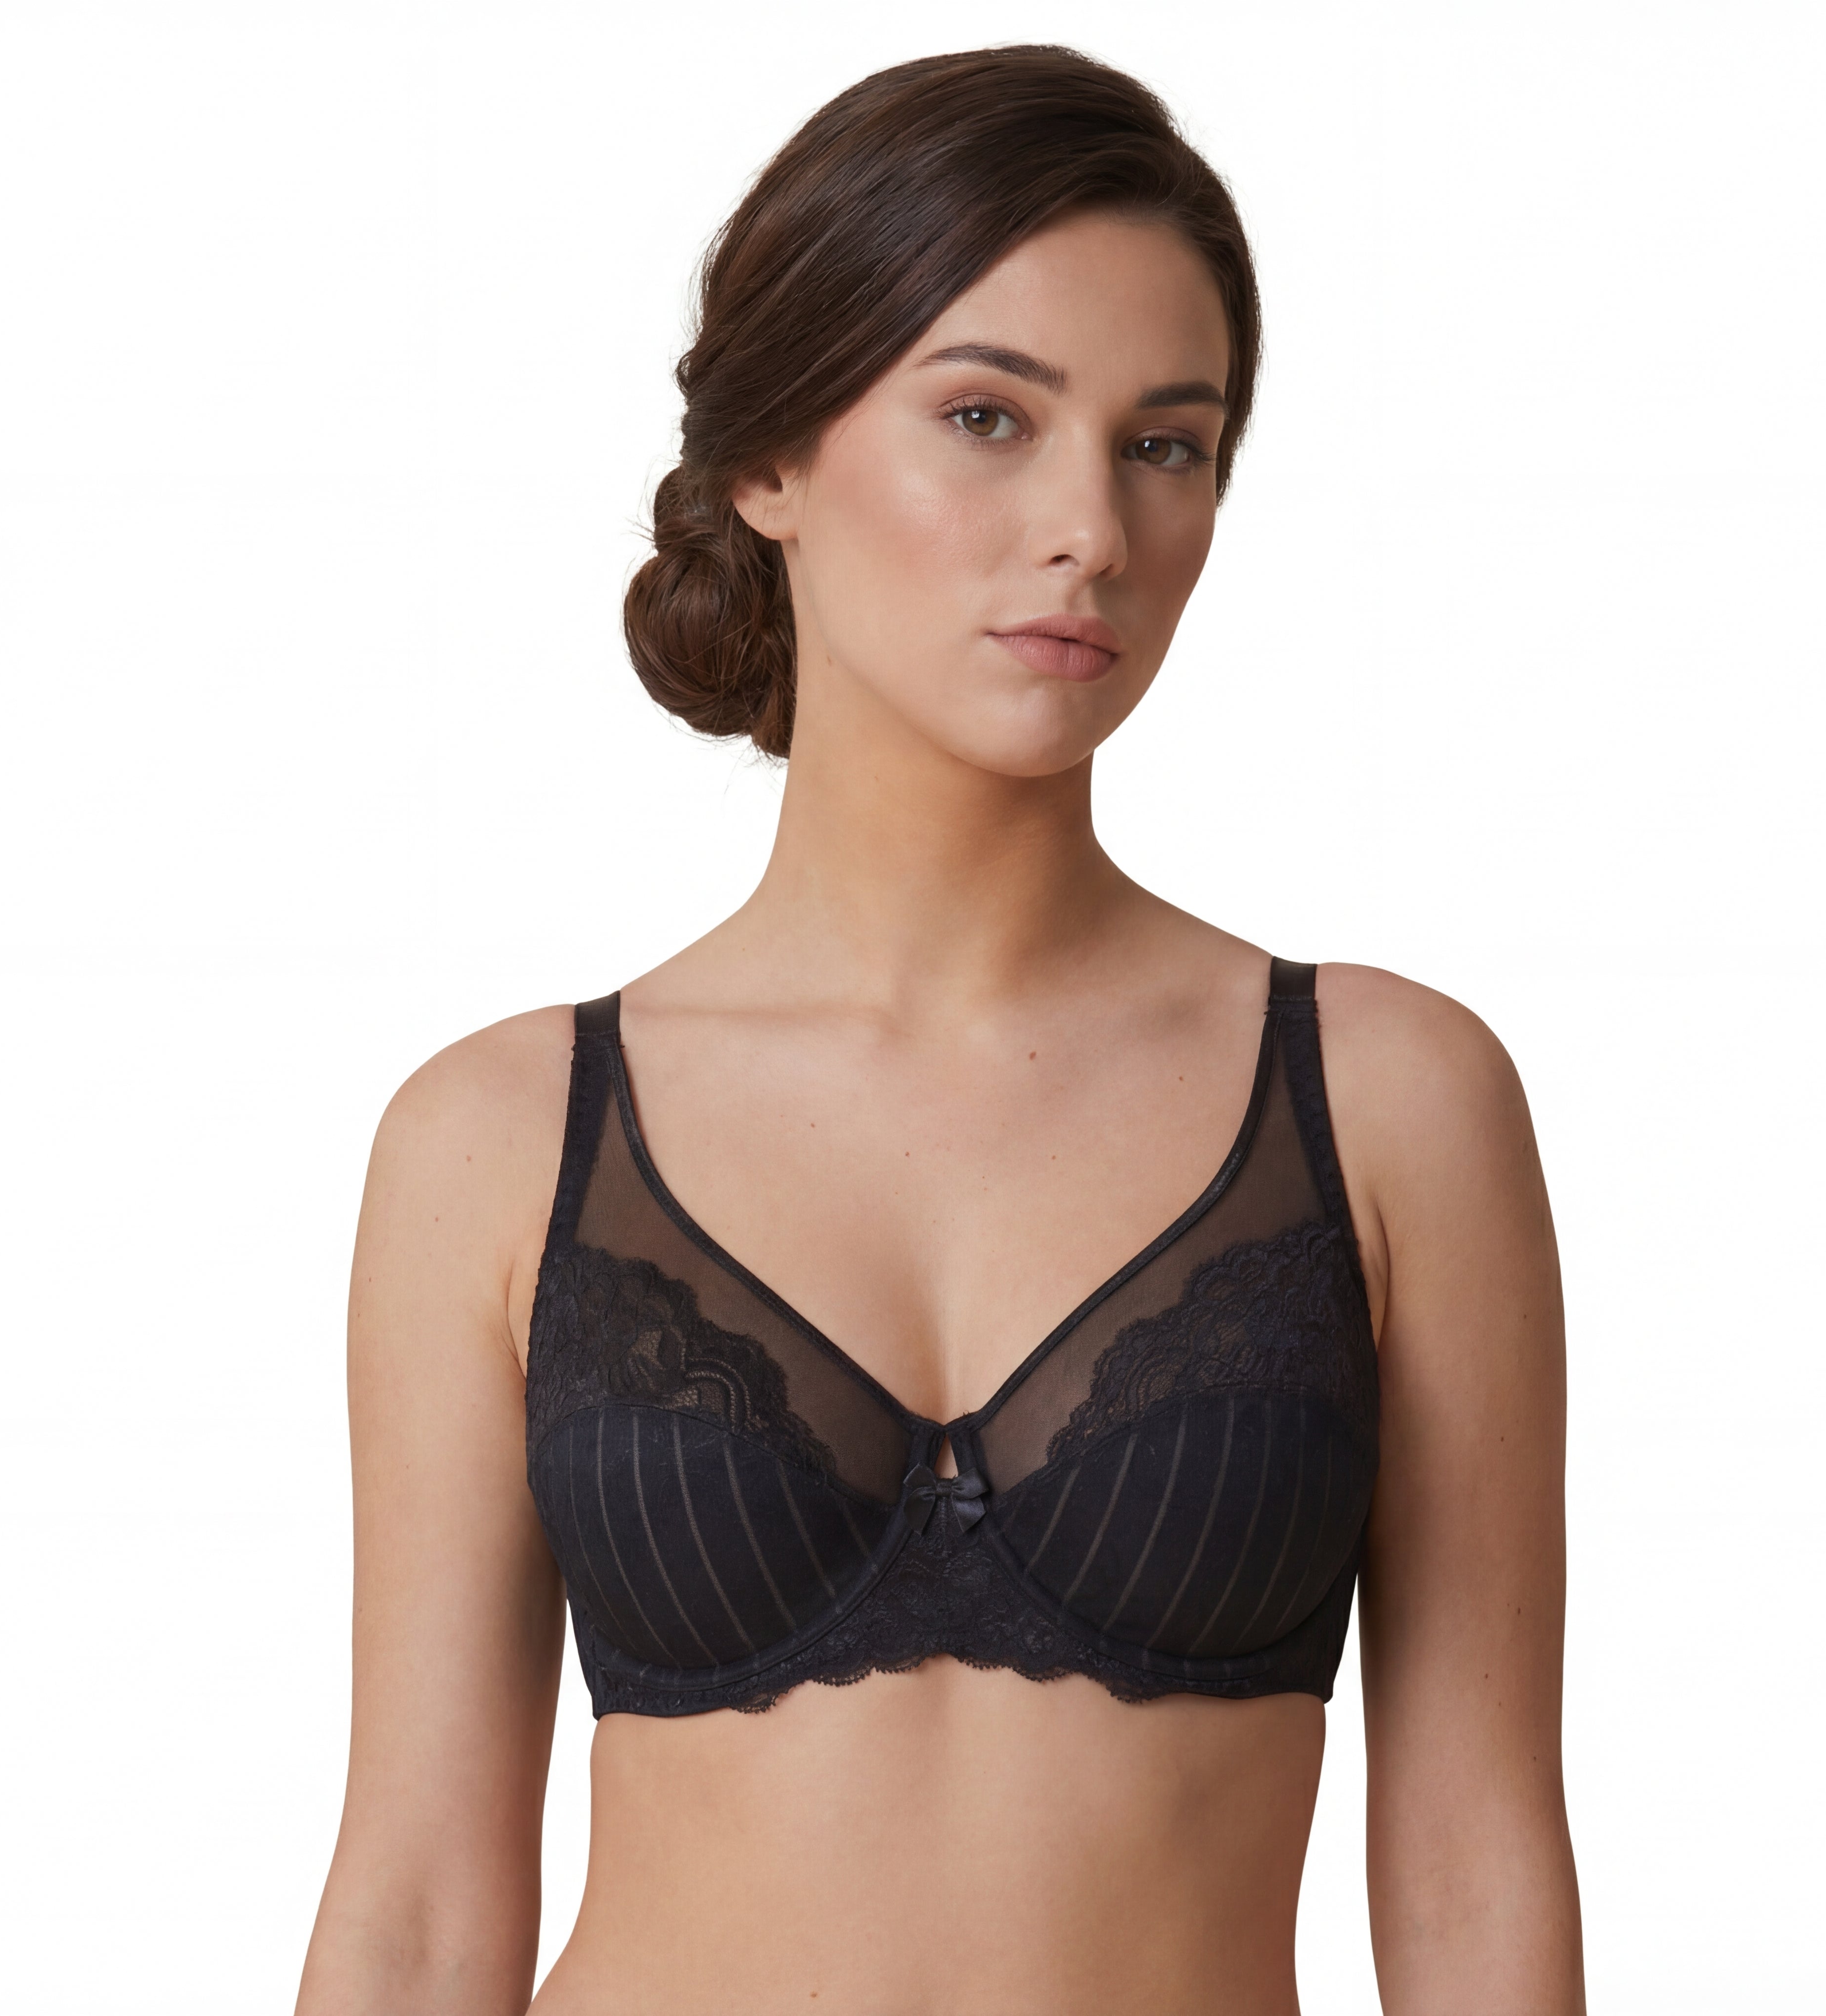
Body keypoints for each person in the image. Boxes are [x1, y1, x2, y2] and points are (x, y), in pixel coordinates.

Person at [296, 44, 1584, 2016]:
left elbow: (1476, 1871)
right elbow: (414, 1911)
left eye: (1167, 445)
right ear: (769, 463)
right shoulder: (498, 1135)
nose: (1092, 529)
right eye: (989, 416)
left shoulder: (1390, 1103)